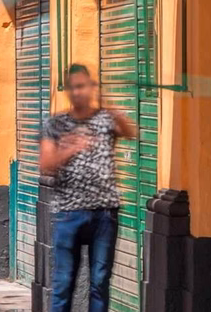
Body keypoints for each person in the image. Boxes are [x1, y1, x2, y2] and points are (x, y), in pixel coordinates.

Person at [40, 63, 138, 312]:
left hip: (104, 212)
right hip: (69, 213)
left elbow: (130, 131)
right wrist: (70, 148)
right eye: (73, 88)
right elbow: (46, 165)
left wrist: (109, 105)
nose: (77, 92)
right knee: (63, 284)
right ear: (67, 91)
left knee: (100, 282)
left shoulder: (105, 119)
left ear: (91, 87)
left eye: (82, 86)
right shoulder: (56, 123)